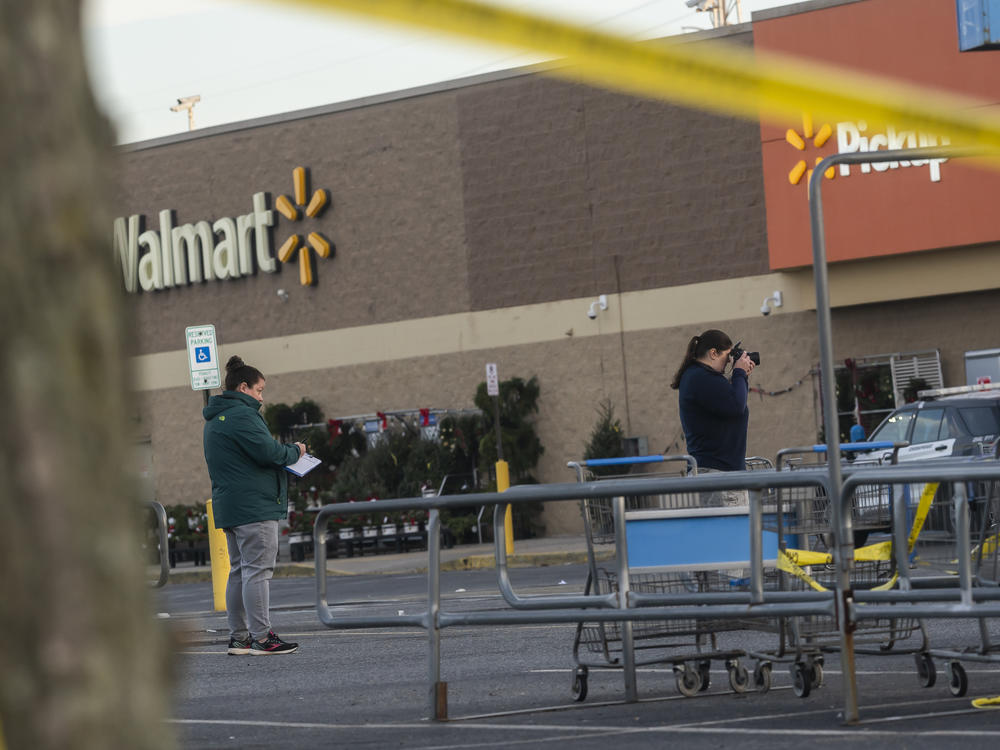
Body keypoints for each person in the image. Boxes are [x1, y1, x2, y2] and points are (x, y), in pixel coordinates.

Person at [203, 355, 306, 655]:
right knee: (258, 571)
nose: (262, 397)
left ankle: (239, 637)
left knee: (239, 571)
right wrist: (296, 451)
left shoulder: (215, 419)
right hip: (254, 507)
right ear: (244, 387)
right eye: (260, 390)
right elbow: (270, 452)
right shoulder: (242, 415)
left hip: (231, 506)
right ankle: (262, 637)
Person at [670, 330, 755, 504]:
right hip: (716, 476)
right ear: (713, 353)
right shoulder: (699, 377)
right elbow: (736, 406)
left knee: (735, 530)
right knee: (728, 530)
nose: (729, 361)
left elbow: (734, 402)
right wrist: (739, 373)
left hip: (722, 473)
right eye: (727, 355)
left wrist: (742, 376)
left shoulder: (702, 377)